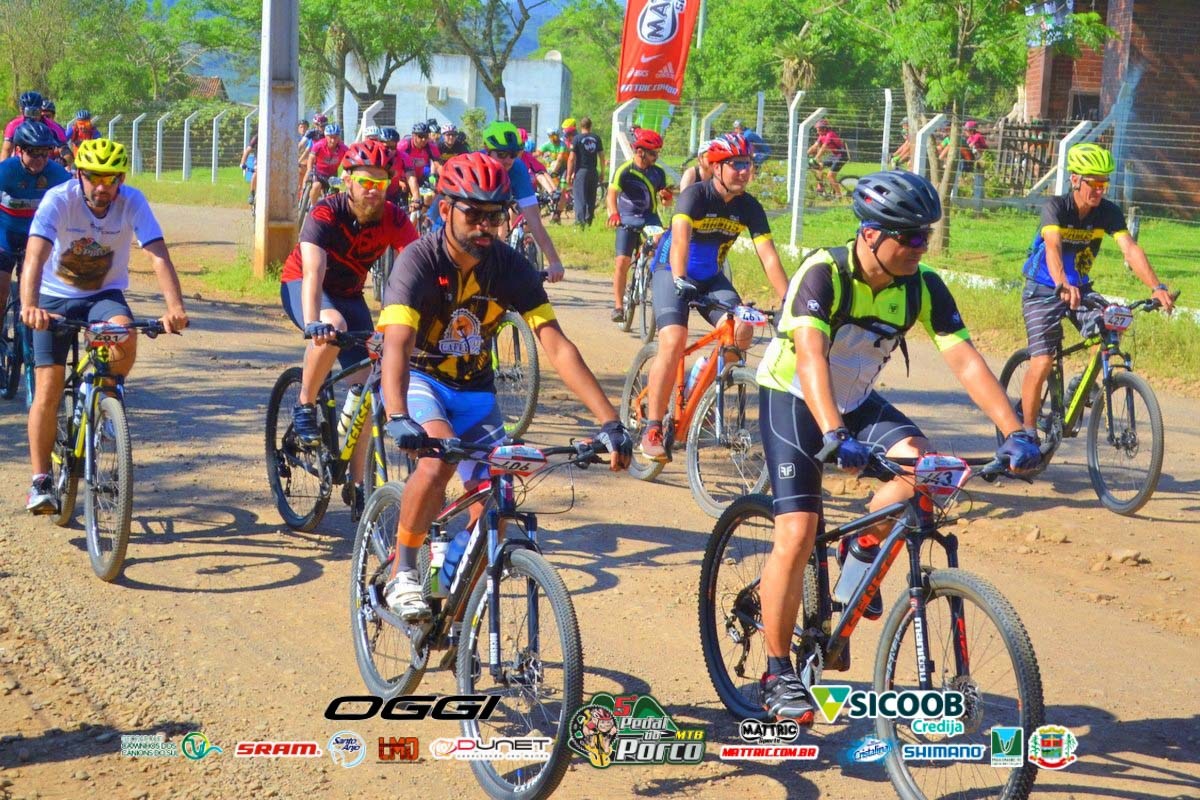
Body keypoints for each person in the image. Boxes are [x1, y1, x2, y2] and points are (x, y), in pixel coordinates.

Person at [753, 169, 1041, 722]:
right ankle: (776, 671)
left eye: (925, 235)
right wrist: (834, 433)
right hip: (795, 397)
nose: (920, 246)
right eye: (908, 236)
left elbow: (965, 360)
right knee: (797, 529)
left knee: (928, 474)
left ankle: (859, 548)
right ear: (869, 234)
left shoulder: (922, 285)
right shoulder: (824, 273)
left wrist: (1015, 430)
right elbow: (810, 358)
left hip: (856, 400)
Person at [375, 152, 633, 619]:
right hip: (420, 379)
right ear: (444, 208)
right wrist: (396, 415)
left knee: (498, 506)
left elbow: (556, 344)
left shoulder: (509, 266)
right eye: (473, 214)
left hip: (475, 392)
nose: (485, 227)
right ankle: (403, 570)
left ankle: (449, 598)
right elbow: (396, 344)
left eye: (495, 217)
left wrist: (610, 422)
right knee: (436, 463)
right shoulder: (418, 260)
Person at [20, 138, 190, 513]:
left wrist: (175, 307)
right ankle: (41, 479)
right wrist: (30, 306)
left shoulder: (132, 201)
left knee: (124, 333)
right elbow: (34, 256)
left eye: (111, 179)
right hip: (55, 297)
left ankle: (108, 399)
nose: (102, 187)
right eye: (94, 177)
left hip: (103, 295)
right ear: (79, 175)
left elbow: (158, 255)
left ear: (121, 179)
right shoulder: (58, 200)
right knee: (48, 387)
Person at [279, 140, 420, 515]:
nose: (373, 190)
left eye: (380, 182)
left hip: (350, 295)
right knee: (333, 325)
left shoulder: (394, 218)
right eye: (365, 181)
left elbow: (418, 268)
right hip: (303, 285)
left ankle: (358, 484)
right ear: (347, 180)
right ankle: (305, 404)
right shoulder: (326, 212)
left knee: (371, 382)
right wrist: (314, 321)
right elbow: (313, 272)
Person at [638, 133, 789, 460]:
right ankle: (652, 427)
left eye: (748, 164)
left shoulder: (750, 206)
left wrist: (791, 300)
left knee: (742, 330)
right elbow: (680, 241)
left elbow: (769, 258)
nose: (744, 171)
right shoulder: (696, 195)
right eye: (736, 164)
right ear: (716, 167)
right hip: (671, 270)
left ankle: (702, 388)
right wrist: (679, 278)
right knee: (673, 340)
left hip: (710, 278)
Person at [1018, 143, 1174, 439]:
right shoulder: (1056, 208)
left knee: (1112, 324)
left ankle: (1080, 386)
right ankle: (1024, 433)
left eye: (1104, 183)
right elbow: (1053, 247)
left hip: (1080, 288)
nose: (1100, 190)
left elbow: (1130, 249)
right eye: (1094, 183)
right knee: (1043, 360)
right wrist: (1062, 282)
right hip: (1043, 288)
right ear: (1075, 179)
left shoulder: (1107, 212)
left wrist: (1156, 287)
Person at [0, 121, 71, 320]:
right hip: (5, 237)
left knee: (35, 298)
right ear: (19, 150)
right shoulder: (6, 170)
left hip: (38, 240)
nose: (40, 159)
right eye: (33, 152)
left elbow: (76, 204)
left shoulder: (57, 174)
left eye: (45, 152)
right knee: (1, 292)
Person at [479, 121, 566, 282]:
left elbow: (535, 221)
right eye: (502, 154)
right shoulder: (474, 165)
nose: (508, 160)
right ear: (487, 149)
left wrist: (554, 262)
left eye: (513, 154)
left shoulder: (517, 169)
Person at [606, 128, 668, 322]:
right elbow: (612, 194)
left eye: (657, 153)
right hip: (627, 218)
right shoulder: (625, 170)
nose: (656, 157)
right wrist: (614, 213)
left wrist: (666, 198)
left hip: (650, 218)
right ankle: (618, 306)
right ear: (640, 152)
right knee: (622, 262)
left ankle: (646, 265)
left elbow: (665, 200)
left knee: (658, 243)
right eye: (653, 153)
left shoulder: (658, 173)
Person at [566, 117, 605, 227]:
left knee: (580, 197)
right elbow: (602, 156)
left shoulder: (577, 139)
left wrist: (568, 175)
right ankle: (589, 221)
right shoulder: (596, 138)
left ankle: (580, 223)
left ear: (580, 126)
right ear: (590, 126)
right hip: (593, 171)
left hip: (581, 171)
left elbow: (571, 158)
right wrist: (602, 172)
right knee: (591, 197)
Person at [302, 124, 348, 209]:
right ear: (326, 136)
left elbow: (349, 161)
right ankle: (313, 207)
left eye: (335, 137)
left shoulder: (343, 148)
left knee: (339, 192)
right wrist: (309, 170)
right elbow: (311, 158)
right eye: (330, 137)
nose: (333, 140)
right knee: (316, 186)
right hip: (319, 172)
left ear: (339, 137)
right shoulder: (319, 145)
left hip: (332, 175)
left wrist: (345, 175)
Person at [807, 118, 850, 198]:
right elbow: (814, 146)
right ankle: (820, 187)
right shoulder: (821, 135)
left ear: (824, 129)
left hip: (842, 156)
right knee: (818, 167)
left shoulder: (830, 135)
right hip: (835, 156)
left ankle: (839, 196)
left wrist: (815, 158)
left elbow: (823, 148)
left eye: (818, 130)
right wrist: (804, 154)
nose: (817, 132)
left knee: (830, 176)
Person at [2, 91, 47, 160]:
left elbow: (63, 148)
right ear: (21, 110)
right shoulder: (13, 125)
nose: (32, 117)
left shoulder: (51, 125)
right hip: (20, 162)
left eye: (35, 112)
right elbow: (6, 151)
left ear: (41, 110)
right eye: (28, 112)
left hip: (44, 161)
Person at [238, 134, 259, 209]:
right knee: (257, 172)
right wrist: (242, 163)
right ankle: (252, 193)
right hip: (259, 159)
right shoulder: (257, 137)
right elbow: (247, 150)